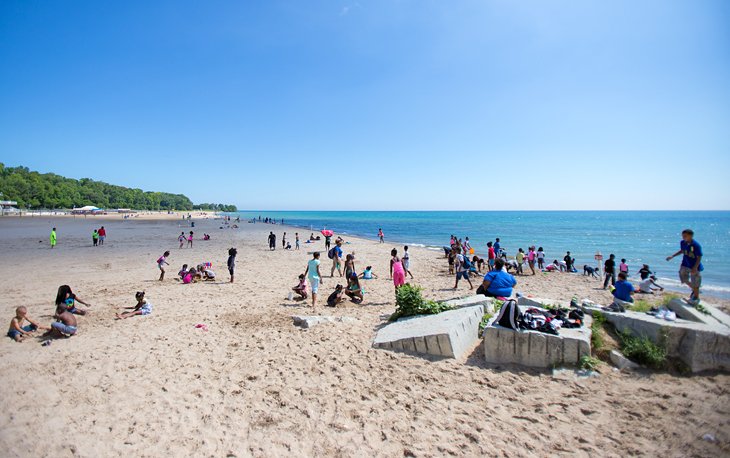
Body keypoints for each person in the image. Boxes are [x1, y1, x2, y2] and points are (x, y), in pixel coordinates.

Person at [666, 228, 703, 305]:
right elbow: (682, 251)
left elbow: (699, 256)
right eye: (683, 236)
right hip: (685, 264)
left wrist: (695, 267)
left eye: (685, 236)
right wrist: (672, 256)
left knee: (695, 282)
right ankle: (694, 290)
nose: (683, 237)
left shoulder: (696, 245)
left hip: (694, 266)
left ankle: (696, 297)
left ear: (691, 236)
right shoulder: (683, 242)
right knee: (683, 278)